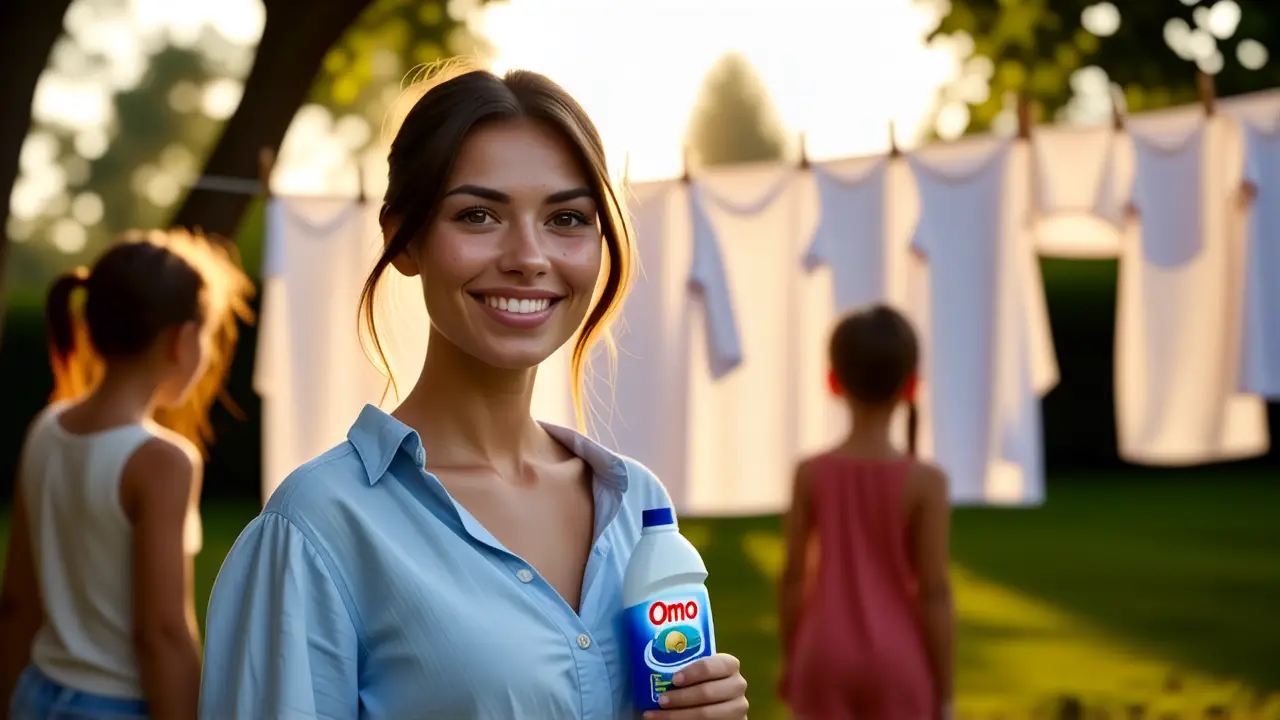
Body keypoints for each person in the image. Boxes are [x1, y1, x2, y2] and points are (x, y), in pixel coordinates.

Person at [199, 60, 749, 719]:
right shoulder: (317, 528)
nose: (528, 256)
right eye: (480, 214)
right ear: (403, 238)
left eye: (567, 218)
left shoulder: (637, 508)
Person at [0, 229, 253, 720]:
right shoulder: (163, 461)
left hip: (37, 692)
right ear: (182, 341)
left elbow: (15, 601)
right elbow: (160, 633)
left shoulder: (45, 429)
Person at [777, 304, 955, 720]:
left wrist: (793, 657)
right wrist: (945, 693)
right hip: (899, 660)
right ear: (912, 386)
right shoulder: (927, 482)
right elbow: (934, 592)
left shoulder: (810, 474)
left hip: (821, 654)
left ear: (833, 381)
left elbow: (793, 578)